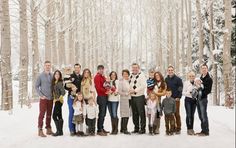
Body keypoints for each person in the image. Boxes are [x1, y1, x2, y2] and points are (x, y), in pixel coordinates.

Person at [35, 61, 54, 137]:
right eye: (46, 65)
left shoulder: (52, 75)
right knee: (42, 114)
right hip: (43, 98)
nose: (48, 67)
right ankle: (40, 129)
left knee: (49, 114)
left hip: (51, 98)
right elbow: (36, 86)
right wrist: (41, 95)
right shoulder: (40, 76)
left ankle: (48, 128)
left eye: (49, 65)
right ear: (44, 66)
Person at [64, 63, 82, 136]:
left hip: (79, 97)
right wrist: (71, 88)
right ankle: (72, 129)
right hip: (71, 97)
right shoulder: (70, 76)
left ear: (80, 68)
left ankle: (78, 129)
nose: (77, 69)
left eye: (78, 68)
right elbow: (65, 86)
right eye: (75, 68)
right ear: (74, 69)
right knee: (71, 113)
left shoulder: (81, 77)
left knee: (79, 113)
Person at [129, 63, 147, 134]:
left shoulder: (141, 75)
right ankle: (136, 128)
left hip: (139, 97)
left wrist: (135, 90)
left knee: (141, 113)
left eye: (136, 68)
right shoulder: (130, 75)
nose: (134, 69)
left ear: (138, 68)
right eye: (133, 68)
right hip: (132, 97)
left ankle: (142, 129)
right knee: (134, 113)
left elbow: (143, 85)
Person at [165, 65, 183, 134]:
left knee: (176, 113)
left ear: (173, 71)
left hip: (176, 99)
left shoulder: (178, 79)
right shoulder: (166, 79)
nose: (170, 71)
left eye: (171, 70)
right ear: (167, 71)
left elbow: (180, 88)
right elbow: (165, 88)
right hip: (169, 99)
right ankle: (173, 127)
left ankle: (178, 128)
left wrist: (179, 97)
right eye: (169, 70)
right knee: (170, 114)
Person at [196, 64, 213, 136]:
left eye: (205, 68)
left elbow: (208, 91)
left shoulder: (209, 79)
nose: (203, 69)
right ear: (201, 70)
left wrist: (201, 93)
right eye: (202, 68)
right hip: (198, 99)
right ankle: (203, 130)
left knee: (203, 115)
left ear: (207, 69)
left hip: (203, 99)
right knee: (200, 115)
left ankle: (206, 131)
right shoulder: (200, 78)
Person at [94, 65, 110, 136]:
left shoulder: (103, 76)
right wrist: (106, 91)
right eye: (99, 69)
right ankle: (99, 130)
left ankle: (102, 127)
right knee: (101, 113)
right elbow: (98, 88)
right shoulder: (97, 77)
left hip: (105, 96)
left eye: (102, 69)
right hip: (101, 97)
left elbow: (106, 85)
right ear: (97, 70)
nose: (101, 70)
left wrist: (109, 89)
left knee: (103, 114)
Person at [51, 70, 66, 136]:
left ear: (60, 76)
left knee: (54, 116)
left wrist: (57, 99)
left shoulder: (59, 83)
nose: (57, 75)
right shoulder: (54, 82)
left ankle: (58, 131)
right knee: (59, 115)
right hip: (57, 101)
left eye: (58, 74)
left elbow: (63, 92)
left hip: (59, 101)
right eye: (56, 74)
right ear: (54, 75)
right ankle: (60, 132)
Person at [182, 71, 197, 135]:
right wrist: (189, 93)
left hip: (194, 100)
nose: (191, 77)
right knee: (188, 114)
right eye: (190, 76)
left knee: (192, 115)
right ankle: (188, 129)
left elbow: (199, 90)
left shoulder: (197, 83)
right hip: (188, 100)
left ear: (194, 76)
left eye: (193, 76)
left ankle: (192, 129)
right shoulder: (186, 83)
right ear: (188, 76)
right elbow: (183, 93)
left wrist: (196, 93)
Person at [118, 69, 131, 135]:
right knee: (125, 114)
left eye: (126, 74)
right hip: (124, 98)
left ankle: (122, 129)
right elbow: (119, 91)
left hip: (129, 98)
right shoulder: (121, 82)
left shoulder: (129, 81)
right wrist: (126, 93)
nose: (125, 75)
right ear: (122, 75)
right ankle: (125, 129)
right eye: (124, 74)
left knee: (126, 114)